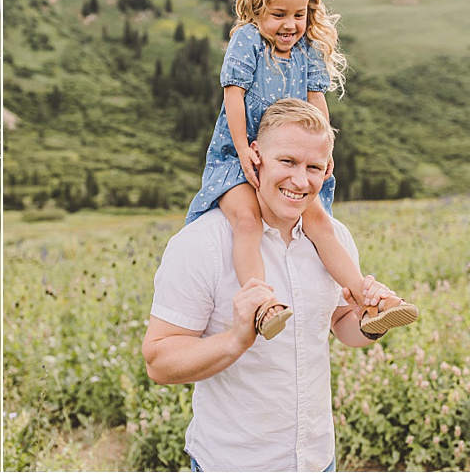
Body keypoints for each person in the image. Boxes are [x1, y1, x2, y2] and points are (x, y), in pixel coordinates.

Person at [144, 98, 399, 471]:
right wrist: (236, 340)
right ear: (256, 156)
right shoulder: (203, 244)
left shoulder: (334, 239)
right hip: (236, 463)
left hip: (317, 459)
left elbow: (341, 323)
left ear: (327, 170)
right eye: (288, 162)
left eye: (313, 167)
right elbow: (158, 361)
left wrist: (370, 319)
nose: (301, 180)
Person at [184, 0, 417, 339]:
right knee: (245, 220)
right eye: (279, 15)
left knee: (320, 222)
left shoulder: (307, 50)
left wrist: (323, 154)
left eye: (299, 14)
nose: (290, 25)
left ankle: (369, 300)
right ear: (256, 10)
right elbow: (233, 94)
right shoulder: (248, 41)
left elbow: (316, 102)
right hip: (237, 154)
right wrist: (243, 149)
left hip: (293, 156)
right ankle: (262, 303)